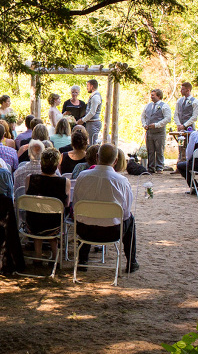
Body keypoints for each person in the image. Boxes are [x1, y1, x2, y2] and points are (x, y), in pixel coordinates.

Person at [72, 144, 138, 273]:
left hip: (84, 230)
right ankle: (131, 262)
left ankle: (83, 259)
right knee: (131, 220)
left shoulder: (82, 176)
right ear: (116, 161)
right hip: (112, 231)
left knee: (85, 216)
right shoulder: (122, 181)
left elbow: (76, 205)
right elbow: (125, 213)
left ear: (97, 157)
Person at [24, 147, 71, 261]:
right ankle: (55, 256)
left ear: (41, 163)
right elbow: (66, 204)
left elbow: (28, 199)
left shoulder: (30, 179)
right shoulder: (64, 182)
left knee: (38, 218)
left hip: (33, 222)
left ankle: (38, 255)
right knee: (52, 220)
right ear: (57, 164)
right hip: (54, 223)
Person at [140, 88, 172, 174]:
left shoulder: (164, 106)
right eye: (151, 95)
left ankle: (159, 167)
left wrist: (157, 125)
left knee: (159, 150)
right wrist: (144, 124)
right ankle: (150, 168)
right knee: (150, 150)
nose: (151, 97)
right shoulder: (148, 106)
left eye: (153, 95)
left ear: (158, 96)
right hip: (149, 132)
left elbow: (168, 118)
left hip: (159, 132)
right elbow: (143, 116)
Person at [77, 79, 102, 146]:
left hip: (93, 123)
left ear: (92, 86)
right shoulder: (93, 96)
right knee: (90, 142)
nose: (87, 88)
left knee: (92, 144)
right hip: (91, 123)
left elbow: (92, 112)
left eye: (88, 86)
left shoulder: (95, 97)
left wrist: (83, 120)